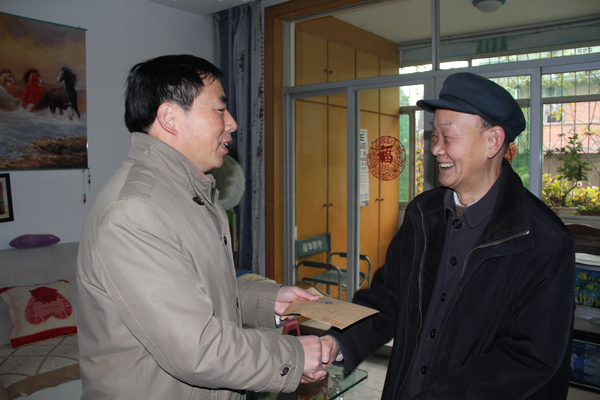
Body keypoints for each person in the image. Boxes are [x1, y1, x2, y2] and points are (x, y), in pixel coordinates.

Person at [76, 54, 326, 400]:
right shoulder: (135, 212)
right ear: (170, 118)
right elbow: (196, 348)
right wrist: (294, 356)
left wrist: (270, 300)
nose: (232, 123)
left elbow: (199, 291)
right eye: (220, 109)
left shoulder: (192, 195)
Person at [320, 72, 575, 399]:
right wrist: (339, 342)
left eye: (448, 136)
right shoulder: (422, 215)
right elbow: (388, 298)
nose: (436, 148)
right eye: (434, 135)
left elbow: (529, 358)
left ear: (493, 141)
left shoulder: (543, 241)